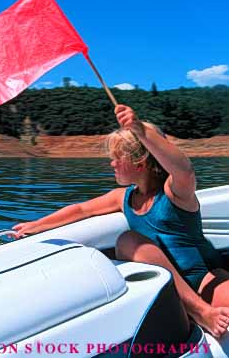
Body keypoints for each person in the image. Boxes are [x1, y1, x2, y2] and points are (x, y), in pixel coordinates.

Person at [12, 104, 229, 339]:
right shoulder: (122, 197)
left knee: (129, 241)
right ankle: (197, 311)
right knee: (129, 241)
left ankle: (199, 310)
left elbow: (184, 170)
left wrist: (139, 129)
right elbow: (81, 209)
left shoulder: (173, 193)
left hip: (206, 281)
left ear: (140, 163)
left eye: (117, 158)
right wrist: (36, 225)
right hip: (168, 289)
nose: (112, 164)